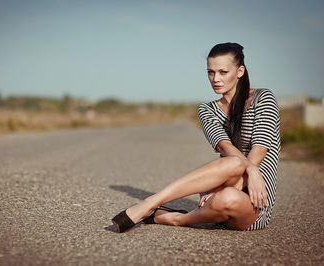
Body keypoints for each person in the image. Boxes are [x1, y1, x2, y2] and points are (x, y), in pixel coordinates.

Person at [112, 42, 280, 232]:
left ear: (240, 71)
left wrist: (253, 172)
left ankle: (176, 218)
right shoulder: (207, 110)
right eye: (210, 72)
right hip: (222, 185)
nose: (215, 78)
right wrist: (247, 171)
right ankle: (150, 203)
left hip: (253, 199)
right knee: (233, 162)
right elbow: (225, 146)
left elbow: (261, 148)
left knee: (229, 195)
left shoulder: (263, 98)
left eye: (223, 72)